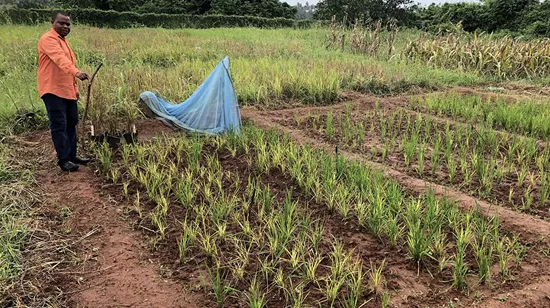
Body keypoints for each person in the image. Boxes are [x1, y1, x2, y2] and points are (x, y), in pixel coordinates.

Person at [38, 11, 91, 172]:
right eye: (61, 23)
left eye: (68, 24)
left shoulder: (64, 41)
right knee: (59, 125)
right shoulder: (48, 39)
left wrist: (74, 89)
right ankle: (64, 160)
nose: (65, 26)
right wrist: (77, 72)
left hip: (67, 90)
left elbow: (66, 64)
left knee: (72, 121)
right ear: (52, 22)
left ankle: (72, 155)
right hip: (52, 90)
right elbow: (60, 59)